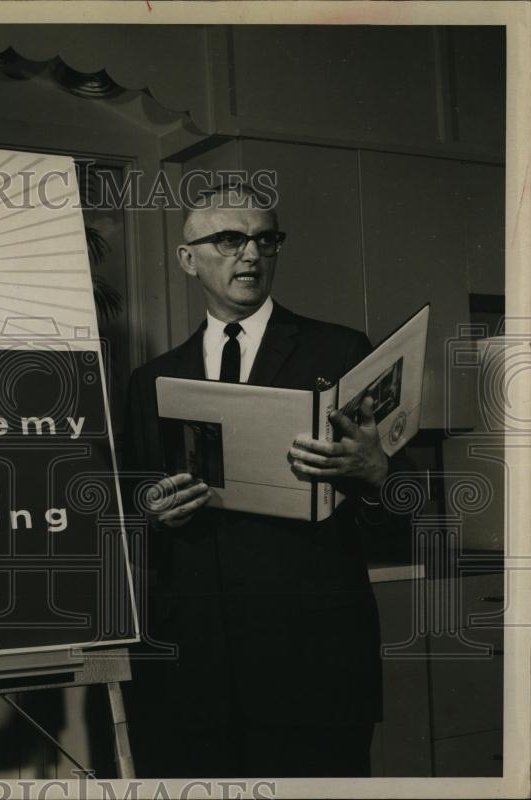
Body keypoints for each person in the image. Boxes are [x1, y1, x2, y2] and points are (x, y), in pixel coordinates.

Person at [120, 185, 405, 778]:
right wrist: (155, 512)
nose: (251, 255)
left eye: (265, 239)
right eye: (229, 239)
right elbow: (133, 518)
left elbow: (398, 517)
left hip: (314, 666)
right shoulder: (153, 380)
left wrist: (378, 474)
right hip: (197, 673)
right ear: (188, 258)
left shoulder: (341, 351)